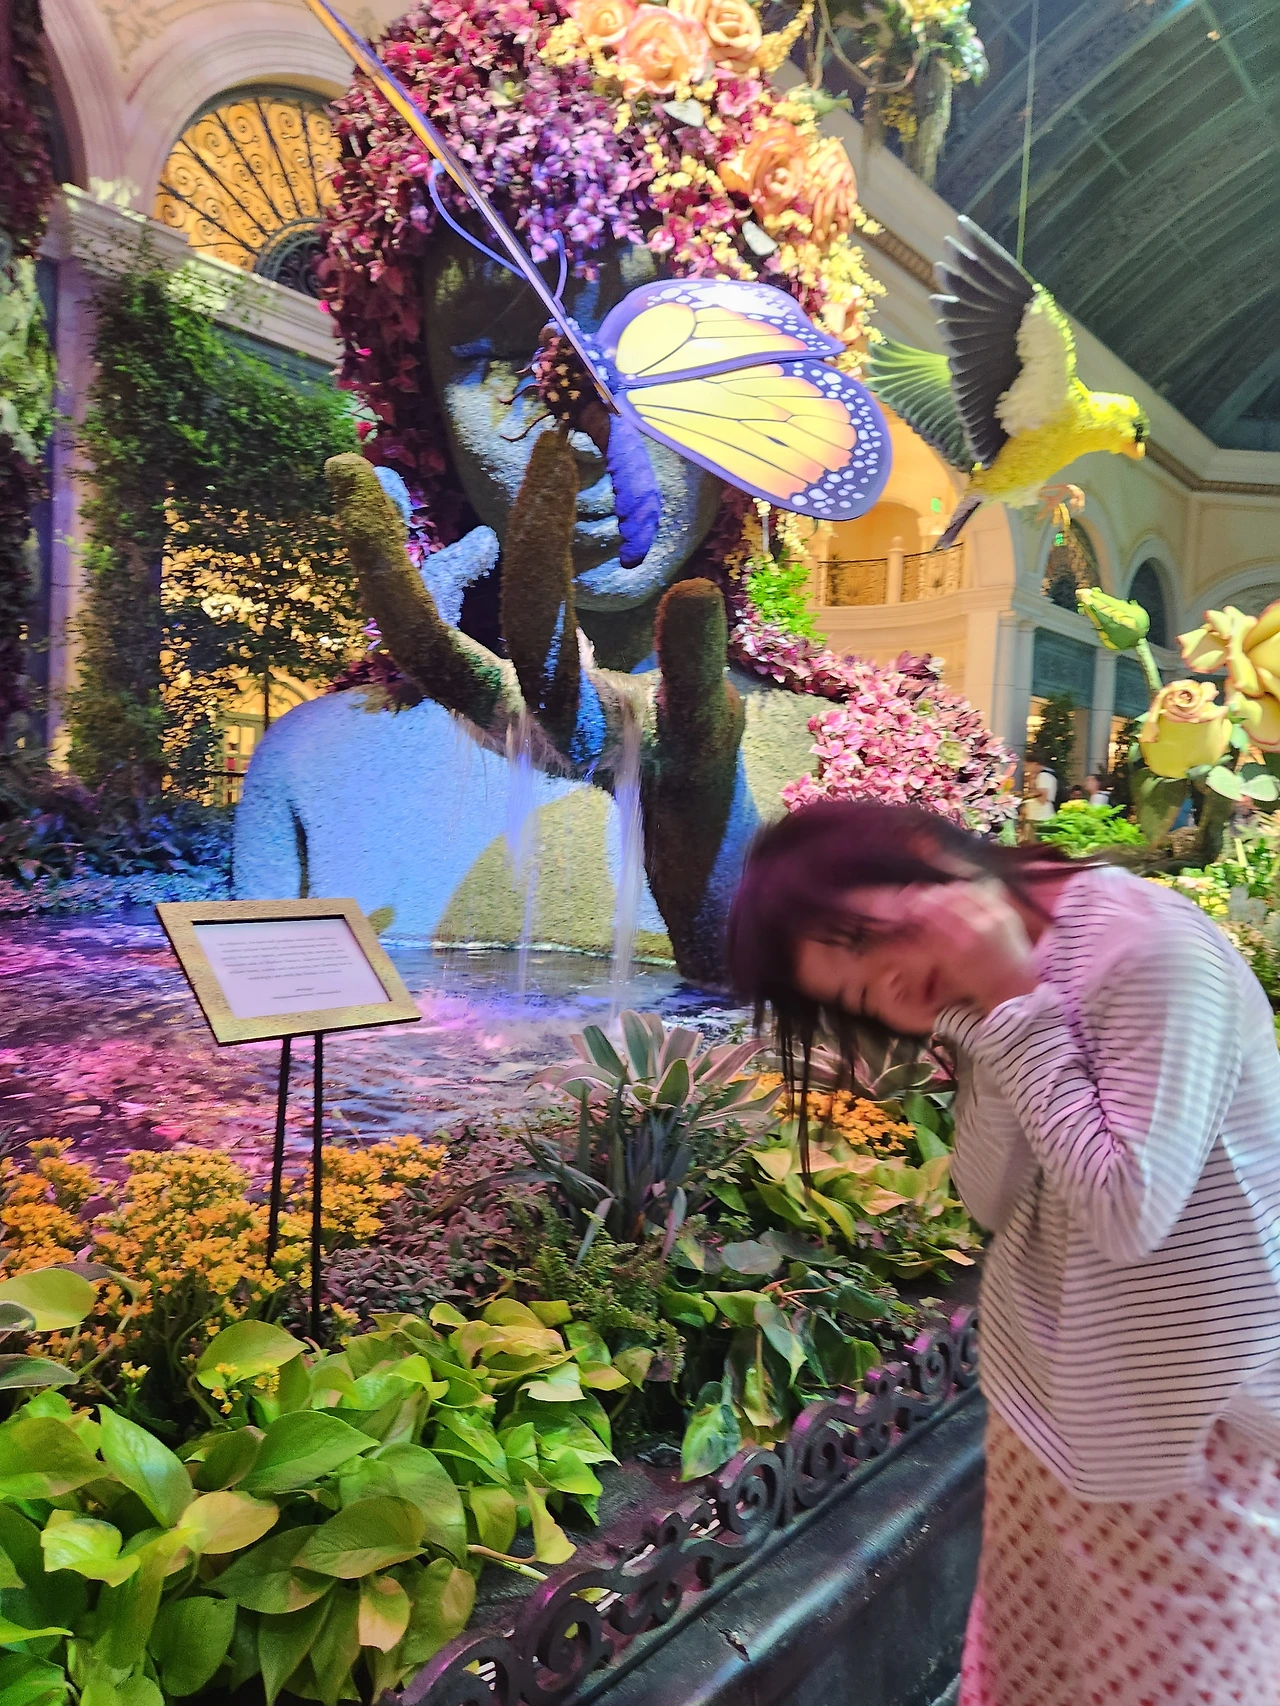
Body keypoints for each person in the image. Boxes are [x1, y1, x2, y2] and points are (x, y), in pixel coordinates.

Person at [726, 799, 1280, 1706]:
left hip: (1186, 1429)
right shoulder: (986, 975)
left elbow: (1127, 1212)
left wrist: (1013, 998)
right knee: (1034, 1679)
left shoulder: (1147, 950)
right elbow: (991, 1194)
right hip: (1049, 1409)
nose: (890, 988)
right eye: (859, 996)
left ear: (918, 853)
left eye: (865, 940)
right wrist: (994, 1007)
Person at [1020, 759, 1057, 823]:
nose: (1025, 769)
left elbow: (1042, 798)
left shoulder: (1044, 776)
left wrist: (1025, 797)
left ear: (1034, 764)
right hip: (1035, 816)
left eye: (1026, 765)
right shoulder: (1038, 776)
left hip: (1041, 816)